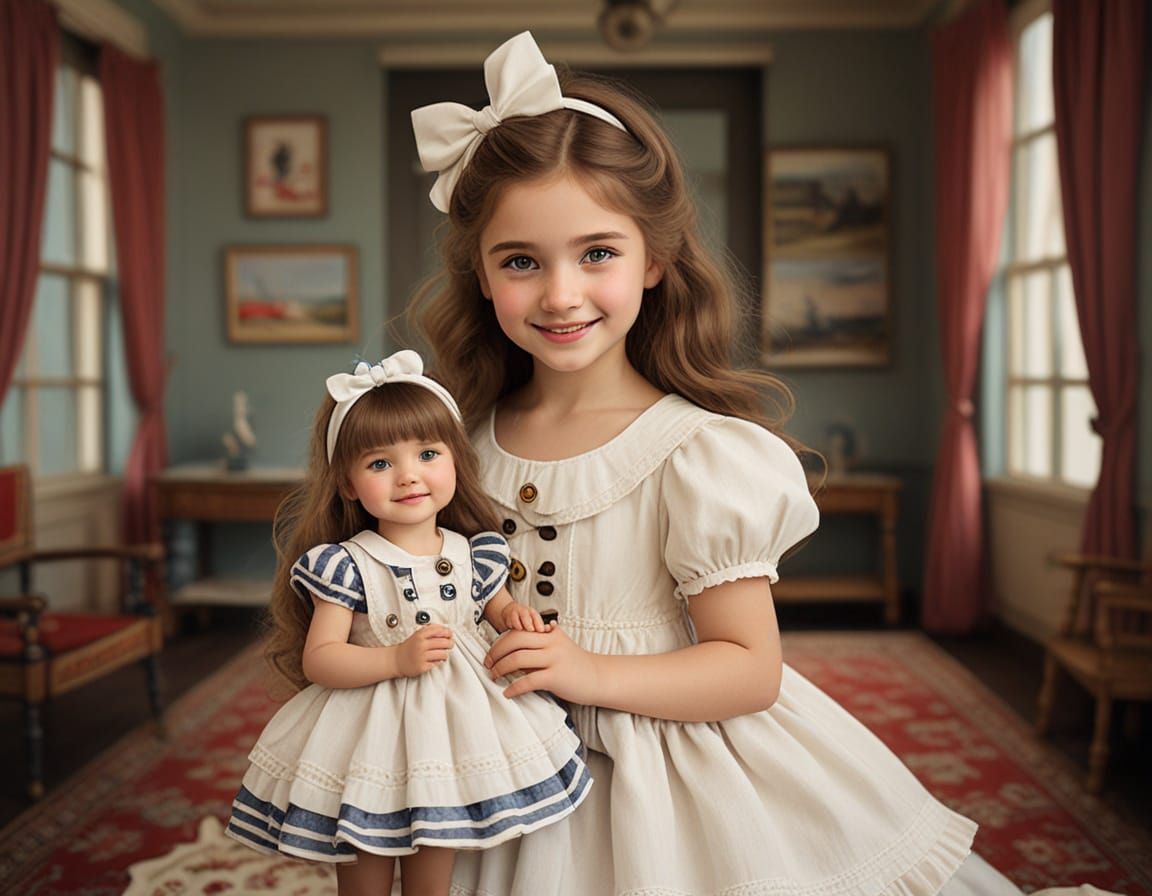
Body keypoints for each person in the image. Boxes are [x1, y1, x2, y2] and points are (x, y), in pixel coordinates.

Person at [410, 31, 1028, 896]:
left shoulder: (697, 454)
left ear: (654, 259)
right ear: (480, 275)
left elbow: (748, 665)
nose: (560, 293)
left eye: (598, 253)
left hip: (672, 783)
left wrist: (587, 671)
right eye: (521, 261)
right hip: (498, 773)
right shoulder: (457, 447)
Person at [224, 350, 593, 896]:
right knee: (365, 860)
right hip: (368, 726)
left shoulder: (477, 552)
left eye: (427, 453)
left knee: (435, 861)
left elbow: (495, 608)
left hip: (453, 727)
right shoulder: (348, 563)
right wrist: (393, 658)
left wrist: (513, 614)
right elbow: (321, 658)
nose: (408, 477)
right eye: (379, 464)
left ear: (454, 460)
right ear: (348, 485)